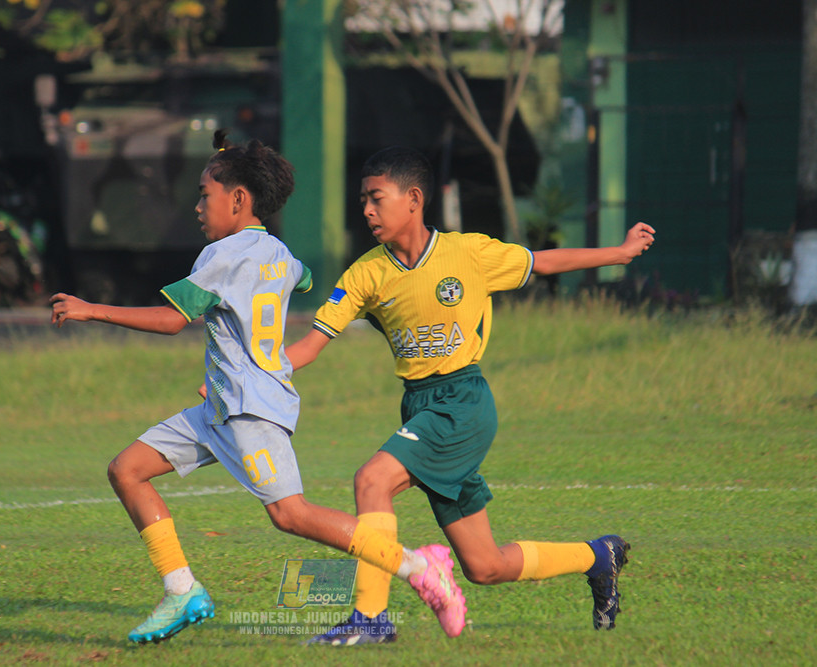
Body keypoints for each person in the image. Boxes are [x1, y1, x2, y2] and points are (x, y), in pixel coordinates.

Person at [50, 133, 467, 645]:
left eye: (205, 194)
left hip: (250, 410)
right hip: (221, 407)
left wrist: (91, 309)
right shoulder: (280, 253)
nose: (198, 206)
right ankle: (182, 591)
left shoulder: (222, 255)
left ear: (238, 199)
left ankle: (417, 566)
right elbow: (303, 278)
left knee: (291, 515)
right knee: (127, 470)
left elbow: (172, 319)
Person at [286, 146, 656, 646]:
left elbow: (543, 262)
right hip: (419, 405)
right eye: (363, 201)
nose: (367, 210)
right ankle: (597, 556)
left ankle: (370, 617)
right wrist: (250, 373)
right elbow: (309, 346)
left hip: (462, 402)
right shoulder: (365, 274)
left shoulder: (469, 253)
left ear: (413, 199)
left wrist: (620, 253)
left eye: (376, 198)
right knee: (485, 566)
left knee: (372, 481)